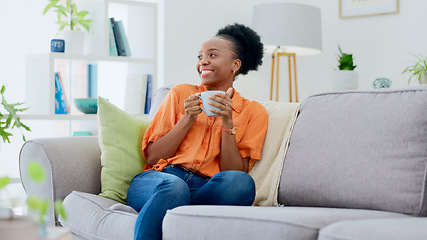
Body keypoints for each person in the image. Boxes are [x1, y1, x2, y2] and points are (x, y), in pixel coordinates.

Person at [127, 23, 268, 240]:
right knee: (174, 187)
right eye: (200, 56)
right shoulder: (180, 93)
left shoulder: (253, 112)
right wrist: (187, 119)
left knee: (241, 183)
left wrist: (227, 123)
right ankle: (180, 205)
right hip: (162, 179)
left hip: (209, 188)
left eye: (212, 55)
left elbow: (234, 172)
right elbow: (153, 156)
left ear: (235, 65)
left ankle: (180, 209)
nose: (203, 61)